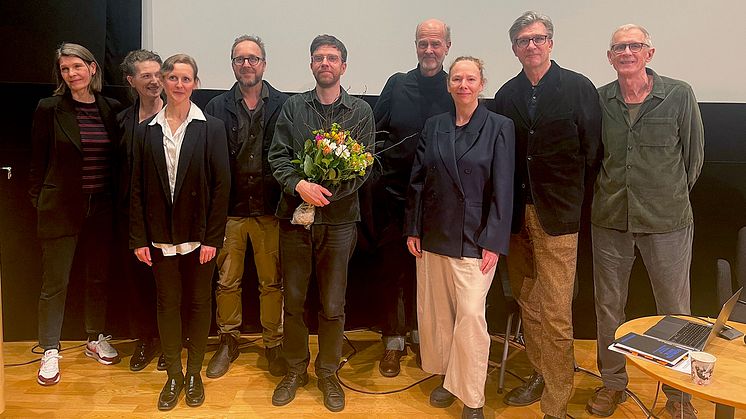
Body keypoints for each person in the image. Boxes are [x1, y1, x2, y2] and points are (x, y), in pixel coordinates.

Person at [587, 24, 704, 419]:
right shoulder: (600, 100)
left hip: (667, 221)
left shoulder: (678, 95)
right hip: (610, 220)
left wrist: (662, 193)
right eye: (618, 47)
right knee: (608, 308)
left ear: (649, 53)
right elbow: (593, 156)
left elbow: (693, 160)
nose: (626, 52)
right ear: (609, 57)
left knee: (675, 311)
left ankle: (679, 397)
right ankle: (612, 384)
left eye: (634, 46)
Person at [492, 11, 602, 419]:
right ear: (515, 48)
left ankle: (556, 404)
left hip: (559, 217)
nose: (531, 46)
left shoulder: (578, 88)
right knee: (529, 305)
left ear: (550, 43)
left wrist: (572, 197)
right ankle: (540, 373)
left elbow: (592, 152)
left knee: (556, 312)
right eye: (523, 40)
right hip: (517, 218)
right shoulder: (506, 95)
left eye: (538, 38)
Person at [268, 34, 374, 413]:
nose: (325, 63)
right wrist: (299, 185)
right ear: (311, 65)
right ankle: (295, 368)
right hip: (294, 221)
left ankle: (328, 371)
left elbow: (363, 166)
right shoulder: (293, 108)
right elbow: (277, 156)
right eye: (318, 58)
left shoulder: (360, 111)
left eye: (332, 58)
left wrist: (324, 194)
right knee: (293, 302)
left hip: (340, 222)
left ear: (343, 66)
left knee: (332, 303)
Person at [405, 56, 515, 419]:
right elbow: (418, 181)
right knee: (439, 316)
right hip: (435, 234)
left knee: (470, 318)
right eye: (457, 79)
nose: (463, 85)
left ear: (482, 84)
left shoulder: (500, 126)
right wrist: (414, 227)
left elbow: (504, 187)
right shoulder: (435, 125)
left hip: (475, 240)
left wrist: (494, 241)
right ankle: (448, 379)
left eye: (470, 79)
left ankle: (472, 398)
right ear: (449, 85)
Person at [129, 53, 230, 411]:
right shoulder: (145, 130)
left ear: (195, 84)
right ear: (164, 82)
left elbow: (222, 187)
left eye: (186, 79)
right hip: (159, 237)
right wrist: (139, 238)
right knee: (167, 304)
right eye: (173, 78)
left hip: (199, 237)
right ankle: (173, 373)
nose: (179, 85)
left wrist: (213, 239)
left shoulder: (212, 127)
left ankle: (194, 374)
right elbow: (137, 188)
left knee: (200, 304)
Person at [29, 42, 122, 386]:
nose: (72, 74)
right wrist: (38, 200)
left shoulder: (111, 108)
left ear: (92, 68)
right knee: (55, 283)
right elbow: (37, 162)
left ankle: (94, 337)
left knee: (97, 276)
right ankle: (50, 347)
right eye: (65, 69)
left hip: (101, 207)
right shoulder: (49, 108)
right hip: (61, 207)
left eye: (77, 67)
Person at [371, 18, 453, 377]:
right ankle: (392, 340)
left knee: (429, 274)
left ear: (447, 47)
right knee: (393, 272)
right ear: (415, 46)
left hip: (439, 201)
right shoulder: (397, 84)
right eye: (423, 44)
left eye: (436, 44)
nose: (429, 51)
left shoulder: (456, 87)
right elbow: (375, 131)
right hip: (393, 196)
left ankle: (424, 338)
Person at [204, 34, 289, 379]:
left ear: (264, 64)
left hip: (270, 209)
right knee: (227, 282)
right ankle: (228, 340)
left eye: (253, 58)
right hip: (231, 210)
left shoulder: (284, 104)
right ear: (232, 64)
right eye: (240, 59)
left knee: (272, 283)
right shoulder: (215, 107)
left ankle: (274, 343)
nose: (247, 64)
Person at [117, 49, 164, 372]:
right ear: (131, 81)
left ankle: (172, 341)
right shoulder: (121, 121)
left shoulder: (182, 117)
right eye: (145, 75)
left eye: (158, 74)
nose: (154, 81)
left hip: (171, 218)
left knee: (171, 284)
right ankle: (146, 339)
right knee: (138, 282)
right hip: (132, 217)